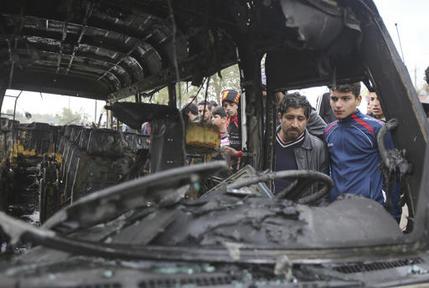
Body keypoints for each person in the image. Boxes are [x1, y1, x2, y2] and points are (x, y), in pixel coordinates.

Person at [324, 83, 400, 221]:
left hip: (369, 211)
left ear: (358, 100)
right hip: (336, 211)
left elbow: (393, 173)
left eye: (346, 99)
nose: (338, 105)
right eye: (334, 99)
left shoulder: (377, 129)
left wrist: (395, 214)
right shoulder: (328, 131)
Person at [274, 93, 329, 200]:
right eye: (290, 118)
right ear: (280, 117)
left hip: (301, 211)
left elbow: (323, 191)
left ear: (307, 120)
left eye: (300, 119)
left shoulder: (318, 148)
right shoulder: (266, 141)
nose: (295, 124)